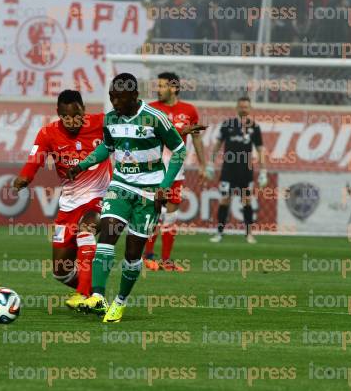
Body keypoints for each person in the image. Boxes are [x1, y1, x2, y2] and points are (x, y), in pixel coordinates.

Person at [67, 73, 199, 323]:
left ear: (134, 96)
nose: (114, 102)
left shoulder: (154, 117)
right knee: (107, 235)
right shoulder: (111, 119)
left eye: (119, 98)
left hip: (149, 193)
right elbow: (107, 147)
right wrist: (82, 165)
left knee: (132, 254)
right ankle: (97, 296)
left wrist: (165, 185)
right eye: (111, 97)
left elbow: (180, 150)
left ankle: (119, 302)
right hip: (120, 186)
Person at [13, 90, 111, 309]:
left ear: (84, 110)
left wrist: (177, 130)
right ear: (58, 113)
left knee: (87, 228)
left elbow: (136, 127)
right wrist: (24, 178)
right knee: (61, 271)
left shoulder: (102, 123)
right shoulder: (48, 133)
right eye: (66, 117)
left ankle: (84, 294)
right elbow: (34, 159)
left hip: (101, 196)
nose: (73, 121)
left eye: (77, 116)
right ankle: (96, 295)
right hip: (69, 204)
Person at [144, 72, 206, 271]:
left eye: (161, 86)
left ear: (173, 88)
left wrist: (203, 164)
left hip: (176, 172)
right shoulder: (151, 109)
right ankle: (147, 256)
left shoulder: (189, 110)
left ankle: (166, 261)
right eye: (158, 85)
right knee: (152, 214)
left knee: (171, 216)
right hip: (153, 171)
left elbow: (196, 138)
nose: (158, 89)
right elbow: (151, 136)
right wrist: (181, 132)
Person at [206, 96, 267, 244]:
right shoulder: (228, 125)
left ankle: (249, 234)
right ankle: (219, 233)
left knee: (246, 201)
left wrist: (263, 171)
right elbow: (217, 145)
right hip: (228, 170)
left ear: (250, 109)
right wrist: (210, 164)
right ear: (237, 108)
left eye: (246, 107)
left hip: (245, 170)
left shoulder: (254, 127)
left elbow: (260, 150)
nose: (243, 109)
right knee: (225, 200)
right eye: (241, 106)